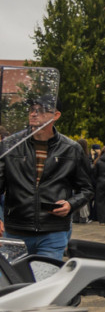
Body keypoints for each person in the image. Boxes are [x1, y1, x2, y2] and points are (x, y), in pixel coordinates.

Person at [0, 95, 94, 259]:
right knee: (15, 283)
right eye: (32, 110)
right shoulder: (10, 145)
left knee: (45, 281)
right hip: (16, 229)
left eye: (41, 110)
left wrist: (70, 205)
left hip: (52, 231)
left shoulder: (70, 149)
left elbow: (87, 188)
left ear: (56, 115)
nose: (34, 114)